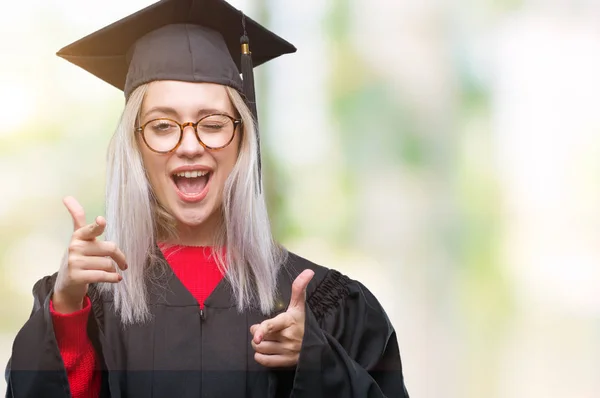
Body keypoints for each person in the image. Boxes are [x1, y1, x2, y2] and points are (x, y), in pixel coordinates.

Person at [5, 0, 410, 397]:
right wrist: (67, 315)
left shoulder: (326, 305)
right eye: (163, 126)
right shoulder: (91, 303)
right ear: (135, 147)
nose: (190, 146)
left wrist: (318, 361)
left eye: (213, 124)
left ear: (242, 140)